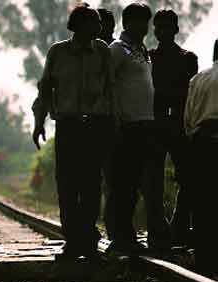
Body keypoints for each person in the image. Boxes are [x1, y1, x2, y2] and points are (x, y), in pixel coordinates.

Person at [32, 4, 113, 261]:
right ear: (78, 25)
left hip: (96, 127)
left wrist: (114, 123)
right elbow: (45, 90)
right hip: (68, 127)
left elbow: (111, 89)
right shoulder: (58, 52)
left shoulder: (102, 52)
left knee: (91, 185)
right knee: (67, 185)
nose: (100, 28)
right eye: (95, 22)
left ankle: (87, 240)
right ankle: (72, 240)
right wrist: (38, 122)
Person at [108, 2, 169, 255]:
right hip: (127, 125)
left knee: (139, 184)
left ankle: (128, 236)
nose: (144, 27)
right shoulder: (118, 50)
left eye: (146, 22)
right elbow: (109, 86)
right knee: (124, 184)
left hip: (145, 125)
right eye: (138, 21)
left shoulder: (142, 50)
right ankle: (120, 237)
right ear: (127, 23)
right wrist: (117, 121)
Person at [150, 10, 199, 247]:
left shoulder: (188, 58)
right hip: (156, 126)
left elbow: (189, 95)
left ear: (176, 29)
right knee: (153, 180)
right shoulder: (149, 58)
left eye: (167, 27)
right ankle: (159, 230)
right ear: (155, 30)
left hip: (179, 125)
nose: (163, 31)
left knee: (188, 178)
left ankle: (178, 226)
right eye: (159, 27)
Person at [184, 39, 218, 278]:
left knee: (203, 202)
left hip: (200, 142)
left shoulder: (198, 79)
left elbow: (188, 118)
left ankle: (204, 258)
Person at [97, 7, 119, 239]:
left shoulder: (113, 50)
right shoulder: (91, 51)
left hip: (115, 122)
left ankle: (114, 229)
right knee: (93, 181)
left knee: (114, 180)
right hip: (93, 123)